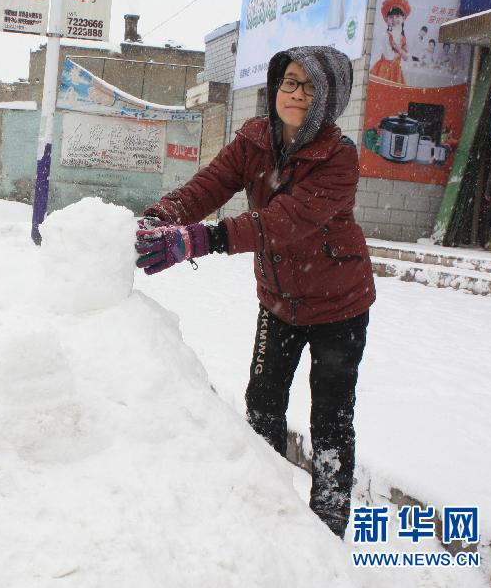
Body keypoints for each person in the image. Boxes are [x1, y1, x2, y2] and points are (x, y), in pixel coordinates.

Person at [135, 46, 375, 538]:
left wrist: (204, 239)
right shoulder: (254, 140)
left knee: (330, 418)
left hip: (339, 307)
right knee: (262, 402)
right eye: (289, 82)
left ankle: (327, 531)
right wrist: (162, 217)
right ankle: (264, 506)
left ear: (329, 99)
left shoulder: (339, 158)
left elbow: (289, 222)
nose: (295, 94)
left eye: (309, 86)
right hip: (280, 301)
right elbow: (211, 185)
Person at [370, 0, 411, 84]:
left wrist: (398, 49)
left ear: (403, 18)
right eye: (391, 17)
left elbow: (407, 57)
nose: (394, 19)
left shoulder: (402, 37)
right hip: (385, 70)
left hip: (396, 71)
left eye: (397, 16)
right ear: (386, 19)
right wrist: (400, 51)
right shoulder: (386, 35)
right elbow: (389, 56)